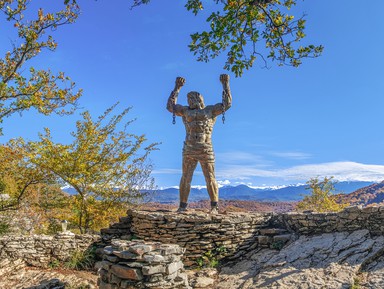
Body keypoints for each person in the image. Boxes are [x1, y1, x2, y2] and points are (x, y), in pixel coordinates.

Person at [166, 74, 232, 213]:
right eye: (189, 99)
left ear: (200, 99)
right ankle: (182, 206)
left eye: (193, 98)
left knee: (210, 177)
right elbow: (170, 107)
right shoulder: (185, 111)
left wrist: (225, 84)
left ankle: (214, 206)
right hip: (189, 148)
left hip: (205, 148)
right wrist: (177, 88)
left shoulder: (210, 110)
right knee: (185, 177)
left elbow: (227, 105)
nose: (191, 101)